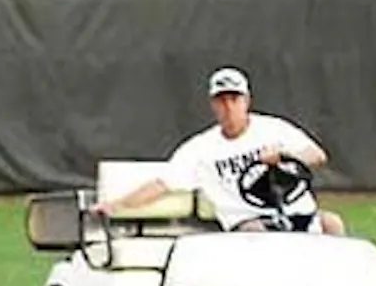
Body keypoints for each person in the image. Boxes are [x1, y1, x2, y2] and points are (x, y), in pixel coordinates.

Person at [94, 67, 346, 235]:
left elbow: (317, 155)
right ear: (213, 105)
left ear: (246, 101)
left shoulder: (274, 129)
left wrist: (285, 156)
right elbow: (162, 184)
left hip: (295, 214)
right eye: (222, 100)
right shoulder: (201, 149)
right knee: (258, 236)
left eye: (234, 99)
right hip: (248, 223)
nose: (228, 107)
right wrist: (115, 205)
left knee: (332, 224)